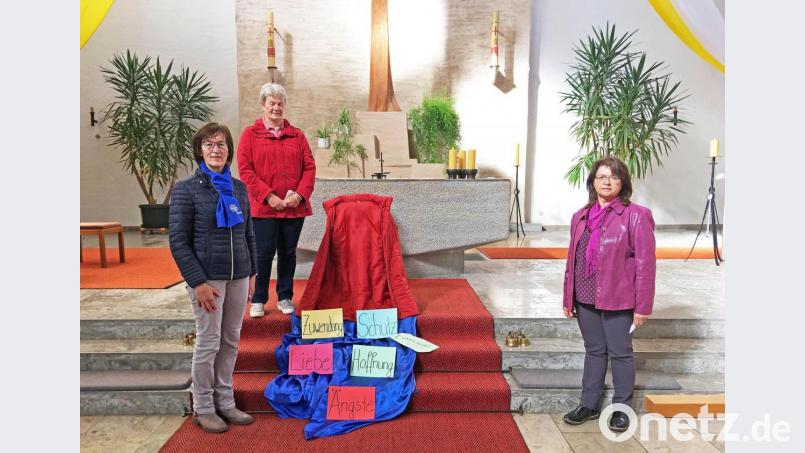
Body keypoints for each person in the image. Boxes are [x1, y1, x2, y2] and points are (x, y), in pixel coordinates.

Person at [169, 122, 257, 433]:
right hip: (208, 279)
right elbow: (178, 242)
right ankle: (203, 406)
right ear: (199, 151)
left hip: (238, 276)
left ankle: (226, 402)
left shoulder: (239, 188)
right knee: (208, 342)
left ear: (229, 150)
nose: (216, 149)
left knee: (231, 341)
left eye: (221, 144)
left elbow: (248, 233)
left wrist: (253, 272)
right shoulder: (185, 190)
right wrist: (198, 282)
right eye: (209, 145)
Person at [561, 156, 656, 432]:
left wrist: (643, 306)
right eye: (601, 176)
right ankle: (588, 405)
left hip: (619, 297)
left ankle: (622, 408)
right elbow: (573, 259)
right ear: (592, 181)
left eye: (613, 177)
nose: (606, 181)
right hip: (585, 296)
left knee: (620, 353)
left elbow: (645, 264)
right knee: (593, 351)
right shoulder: (580, 216)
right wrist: (569, 297)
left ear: (622, 183)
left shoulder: (636, 215)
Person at [237, 83, 316, 318]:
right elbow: (245, 170)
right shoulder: (250, 135)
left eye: (280, 103)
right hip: (264, 209)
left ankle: (284, 296)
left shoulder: (297, 135)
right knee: (262, 254)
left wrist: (299, 195)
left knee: (288, 253)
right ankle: (259, 299)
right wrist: (269, 196)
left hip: (293, 209)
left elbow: (309, 168)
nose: (276, 107)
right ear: (263, 105)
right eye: (272, 103)